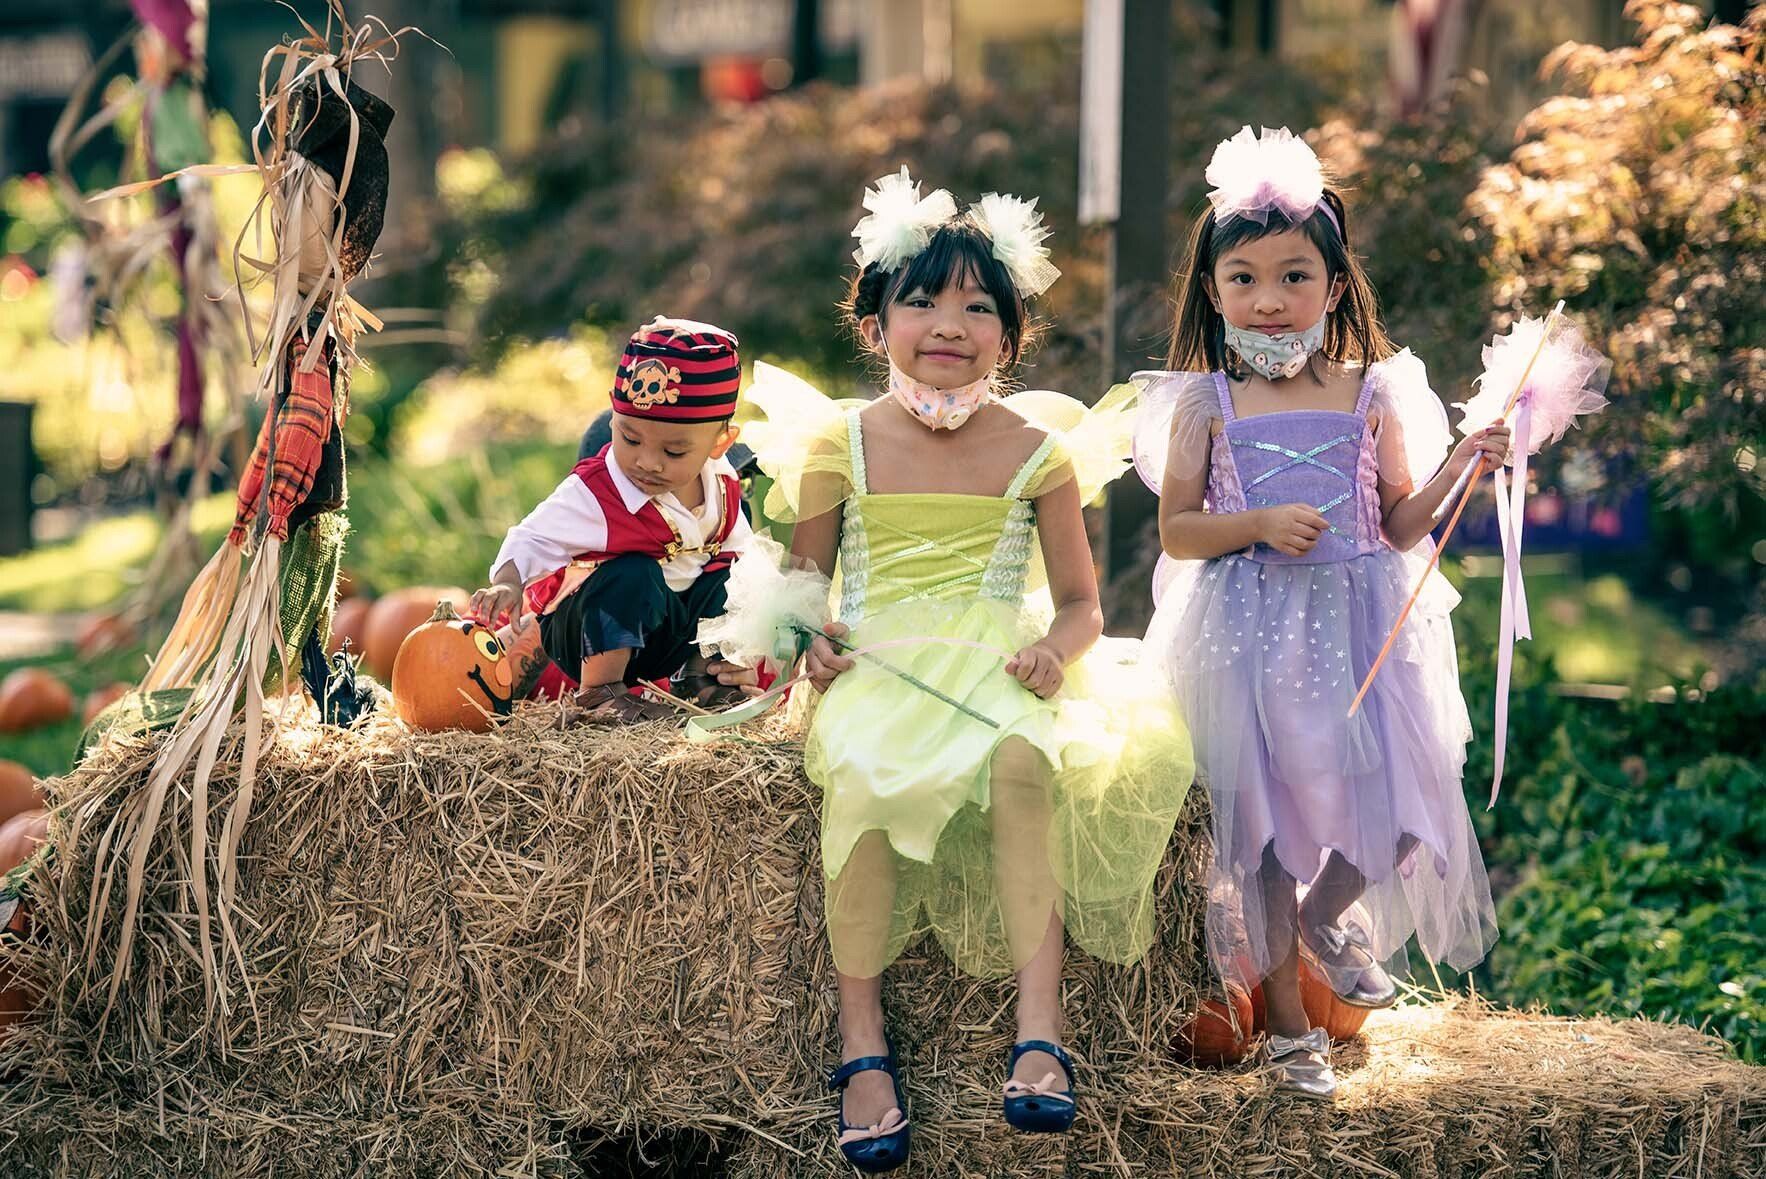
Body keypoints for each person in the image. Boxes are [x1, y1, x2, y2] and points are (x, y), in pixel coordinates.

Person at [723, 170, 1191, 1169]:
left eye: (978, 306)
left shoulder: (1036, 451)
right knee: (862, 780)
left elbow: (1080, 606)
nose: (950, 323)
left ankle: (1039, 1029)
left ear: (1010, 335)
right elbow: (804, 586)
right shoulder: (838, 443)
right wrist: (810, 640)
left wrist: (1050, 653)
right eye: (922, 301)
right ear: (876, 321)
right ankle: (861, 1043)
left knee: (1025, 765)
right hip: (879, 663)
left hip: (992, 662)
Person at [1136, 126, 1507, 1099]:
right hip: (1246, 626)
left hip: (1355, 621)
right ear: (1212, 292)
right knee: (1257, 826)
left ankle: (1320, 917)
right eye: (1245, 277)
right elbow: (1177, 531)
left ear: (1334, 287)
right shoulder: (1203, 402)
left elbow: (1396, 524)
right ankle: (1289, 1025)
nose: (1268, 298)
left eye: (1293, 275)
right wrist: (1253, 520)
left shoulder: (1373, 389)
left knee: (1401, 802)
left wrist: (1463, 463)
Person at [473, 317, 754, 722]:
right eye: (630, 438)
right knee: (632, 573)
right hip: (587, 633)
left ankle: (697, 676)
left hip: (662, 633)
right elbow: (533, 536)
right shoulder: (597, 491)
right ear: (612, 420)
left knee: (735, 576)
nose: (646, 462)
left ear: (720, 443)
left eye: (673, 452)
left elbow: (744, 558)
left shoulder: (724, 485)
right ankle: (600, 693)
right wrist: (508, 581)